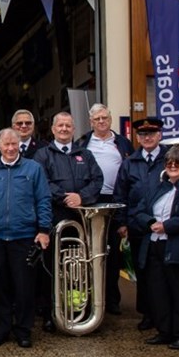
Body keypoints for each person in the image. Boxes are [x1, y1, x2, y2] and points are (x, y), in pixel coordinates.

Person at [0, 128, 51, 349]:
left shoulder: (34, 169)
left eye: (13, 144)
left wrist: (43, 230)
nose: (9, 148)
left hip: (24, 236)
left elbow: (43, 200)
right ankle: (0, 329)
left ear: (20, 146)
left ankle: (23, 330)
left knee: (24, 287)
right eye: (5, 144)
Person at [133, 145, 179, 350]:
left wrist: (166, 226)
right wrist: (150, 222)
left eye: (178, 163)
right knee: (159, 292)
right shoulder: (157, 186)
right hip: (155, 246)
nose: (173, 167)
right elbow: (139, 210)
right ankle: (165, 331)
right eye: (169, 164)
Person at [32, 112, 103, 332]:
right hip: (54, 217)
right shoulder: (42, 155)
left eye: (68, 126)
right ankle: (51, 313)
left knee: (79, 270)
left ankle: (78, 311)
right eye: (60, 125)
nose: (64, 129)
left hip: (81, 218)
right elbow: (42, 182)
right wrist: (65, 197)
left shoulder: (85, 154)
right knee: (52, 268)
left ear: (74, 129)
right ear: (52, 129)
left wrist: (82, 197)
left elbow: (97, 179)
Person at [76, 103, 133, 316]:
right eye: (97, 119)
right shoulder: (83, 143)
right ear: (91, 122)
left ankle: (111, 299)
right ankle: (90, 297)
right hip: (90, 201)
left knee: (112, 254)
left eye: (105, 118)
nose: (101, 122)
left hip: (115, 201)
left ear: (110, 119)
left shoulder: (123, 144)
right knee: (88, 252)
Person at [113, 116, 167, 331]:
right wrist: (122, 222)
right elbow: (120, 194)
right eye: (143, 134)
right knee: (142, 273)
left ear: (160, 135)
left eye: (152, 134)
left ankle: (164, 313)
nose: (147, 138)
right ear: (137, 137)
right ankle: (147, 314)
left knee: (163, 272)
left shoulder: (169, 159)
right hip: (138, 226)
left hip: (164, 227)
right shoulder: (130, 162)